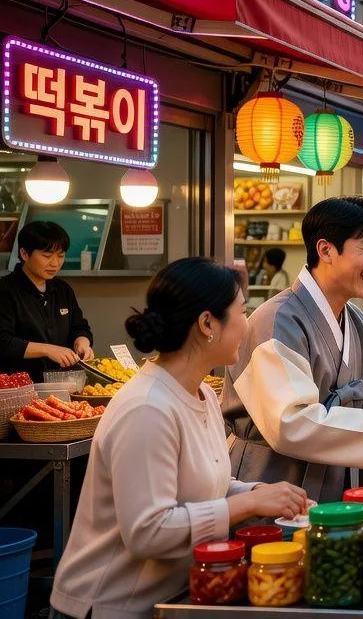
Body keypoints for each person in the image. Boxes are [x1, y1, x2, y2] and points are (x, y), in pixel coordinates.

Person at [51, 258, 309, 619]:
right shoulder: (147, 408)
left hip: (165, 598)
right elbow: (148, 531)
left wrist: (255, 492)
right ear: (207, 324)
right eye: (242, 312)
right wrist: (246, 507)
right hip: (108, 605)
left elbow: (199, 483)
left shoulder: (200, 392)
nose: (247, 324)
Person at [223, 197, 363, 503]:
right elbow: (290, 422)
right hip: (271, 480)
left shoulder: (355, 319)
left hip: (337, 480)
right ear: (326, 250)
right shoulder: (277, 321)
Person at [0, 221, 93, 381]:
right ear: (24, 254)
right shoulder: (5, 290)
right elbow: (3, 342)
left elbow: (79, 327)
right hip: (18, 387)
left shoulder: (63, 290)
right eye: (47, 256)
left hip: (62, 385)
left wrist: (82, 342)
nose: (55, 263)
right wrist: (47, 350)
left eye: (61, 255)